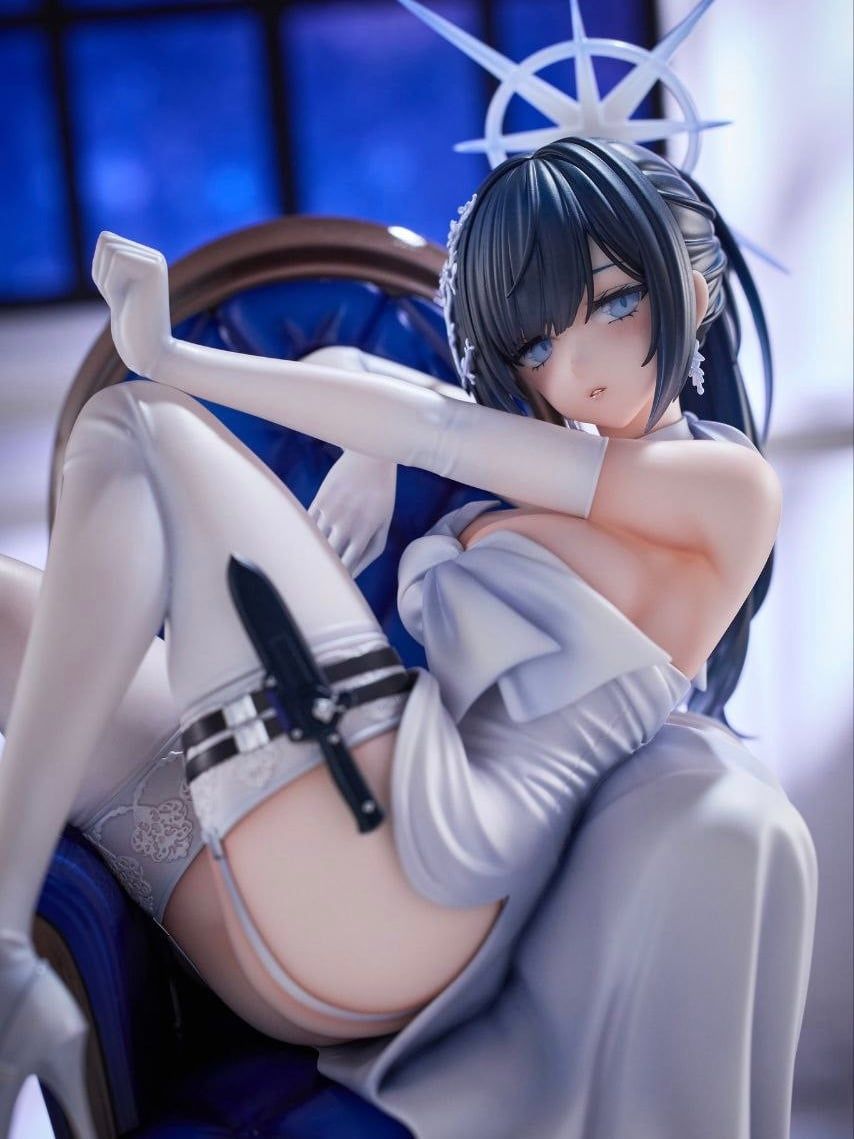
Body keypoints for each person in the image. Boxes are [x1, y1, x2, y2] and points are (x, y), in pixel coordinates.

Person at [0, 138, 816, 1139]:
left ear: (692, 287)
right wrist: (366, 440)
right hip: (294, 903)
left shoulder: (730, 489)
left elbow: (439, 429)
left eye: (613, 303)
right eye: (534, 344)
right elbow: (390, 393)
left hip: (421, 883)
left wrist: (173, 357)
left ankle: (5, 955)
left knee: (142, 423)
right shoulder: (552, 460)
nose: (578, 369)